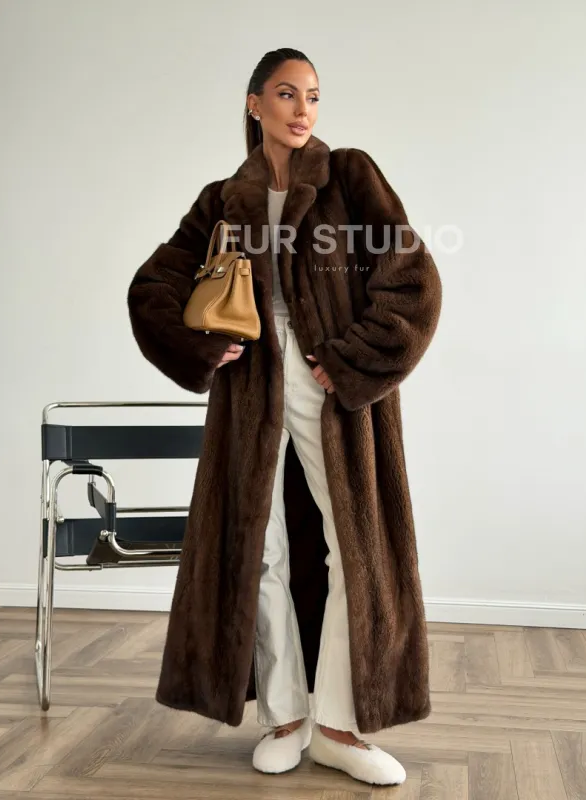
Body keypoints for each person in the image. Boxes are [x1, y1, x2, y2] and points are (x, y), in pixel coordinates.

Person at [127, 48, 442, 787]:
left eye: (313, 96)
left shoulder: (350, 175)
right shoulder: (223, 200)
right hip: (252, 388)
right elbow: (154, 285)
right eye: (287, 94)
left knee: (353, 547)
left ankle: (338, 724)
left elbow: (413, 279)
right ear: (254, 103)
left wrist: (352, 358)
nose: (303, 110)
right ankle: (286, 714)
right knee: (259, 550)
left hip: (331, 389)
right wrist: (203, 347)